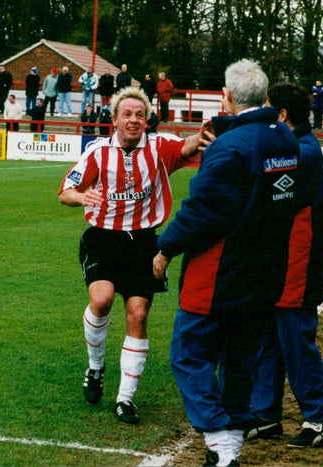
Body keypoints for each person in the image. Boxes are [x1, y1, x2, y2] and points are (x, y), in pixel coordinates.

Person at [152, 59, 300, 467]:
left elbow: (202, 210)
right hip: (266, 270)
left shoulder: (230, 147)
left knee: (189, 354)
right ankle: (227, 453)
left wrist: (165, 248)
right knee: (240, 360)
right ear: (266, 97)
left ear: (228, 97)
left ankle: (218, 438)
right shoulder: (285, 139)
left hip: (220, 272)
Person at [59, 86, 213, 426]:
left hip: (143, 242)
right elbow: (65, 191)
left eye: (139, 115)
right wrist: (81, 198)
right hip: (102, 239)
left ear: (146, 120)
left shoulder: (159, 147)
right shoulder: (98, 153)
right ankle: (96, 367)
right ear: (114, 119)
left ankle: (125, 399)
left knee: (138, 314)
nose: (133, 120)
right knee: (102, 300)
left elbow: (185, 148)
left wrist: (199, 137)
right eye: (127, 114)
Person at [244, 82, 323, 449]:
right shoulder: (295, 146)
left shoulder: (302, 152)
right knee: (270, 333)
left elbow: (258, 180)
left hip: (300, 260)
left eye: (267, 110)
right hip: (280, 258)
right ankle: (265, 415)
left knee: (295, 338)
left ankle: (321, 418)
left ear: (281, 115)